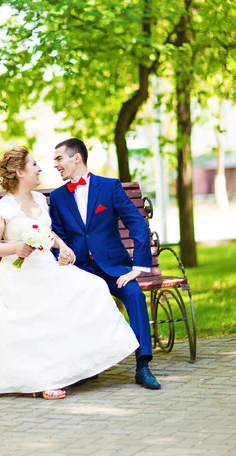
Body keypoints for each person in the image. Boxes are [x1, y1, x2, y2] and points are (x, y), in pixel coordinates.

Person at [0, 146, 138, 399]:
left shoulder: (39, 200)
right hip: (20, 275)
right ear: (20, 172)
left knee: (92, 287)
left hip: (47, 266)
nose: (40, 169)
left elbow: (48, 233)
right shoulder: (2, 208)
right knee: (41, 310)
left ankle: (91, 360)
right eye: (34, 164)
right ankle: (45, 380)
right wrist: (16, 247)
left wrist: (64, 247)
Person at [50, 138, 161, 390]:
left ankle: (143, 365)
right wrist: (64, 255)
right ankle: (87, 366)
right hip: (81, 270)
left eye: (59, 158)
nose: (55, 165)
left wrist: (137, 268)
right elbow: (60, 236)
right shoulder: (57, 198)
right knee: (73, 302)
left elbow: (138, 225)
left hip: (114, 267)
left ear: (76, 157)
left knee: (134, 294)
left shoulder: (109, 187)